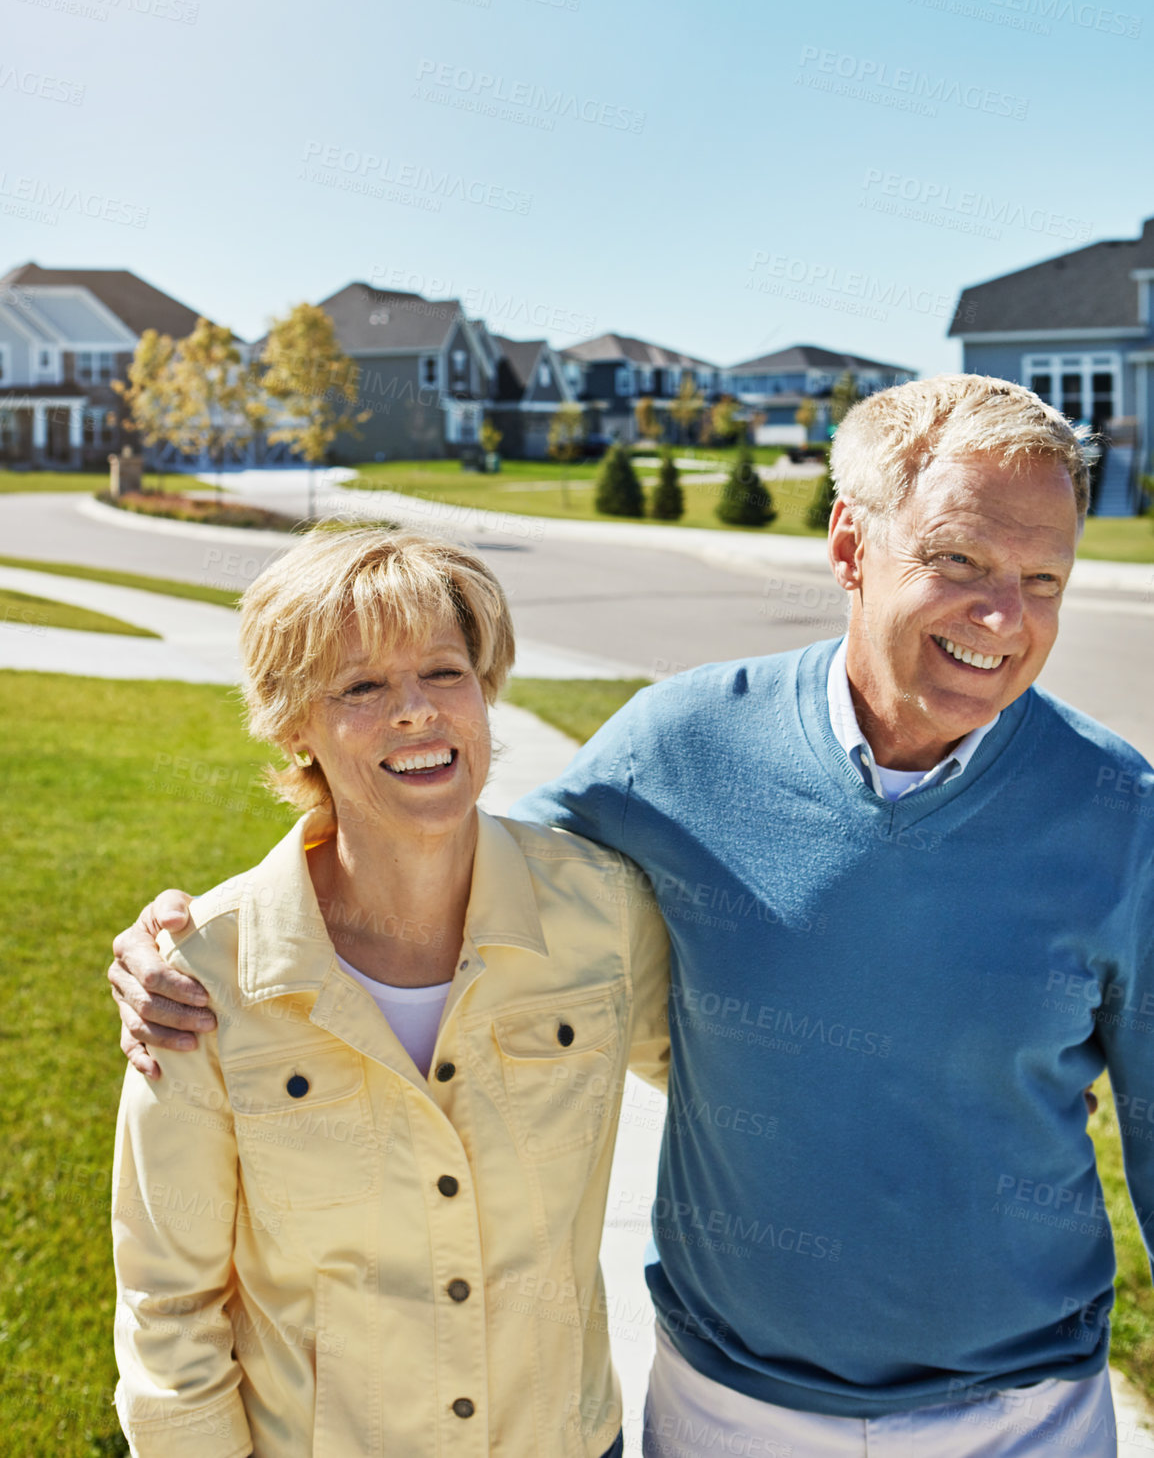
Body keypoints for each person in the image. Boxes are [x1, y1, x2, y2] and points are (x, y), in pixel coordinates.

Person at [113, 375, 1154, 1457]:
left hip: (1025, 1412)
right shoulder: (678, 748)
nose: (1003, 618)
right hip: (731, 1411)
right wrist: (183, 947)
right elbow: (437, 850)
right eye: (957, 561)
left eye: (1043, 579)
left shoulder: (1119, 811)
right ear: (849, 544)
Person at [108, 527, 669, 1458]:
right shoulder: (201, 978)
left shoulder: (604, 915)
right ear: (295, 727)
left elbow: (741, 1090)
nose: (416, 712)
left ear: (485, 691)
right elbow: (168, 1309)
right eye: (362, 687)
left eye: (445, 673)